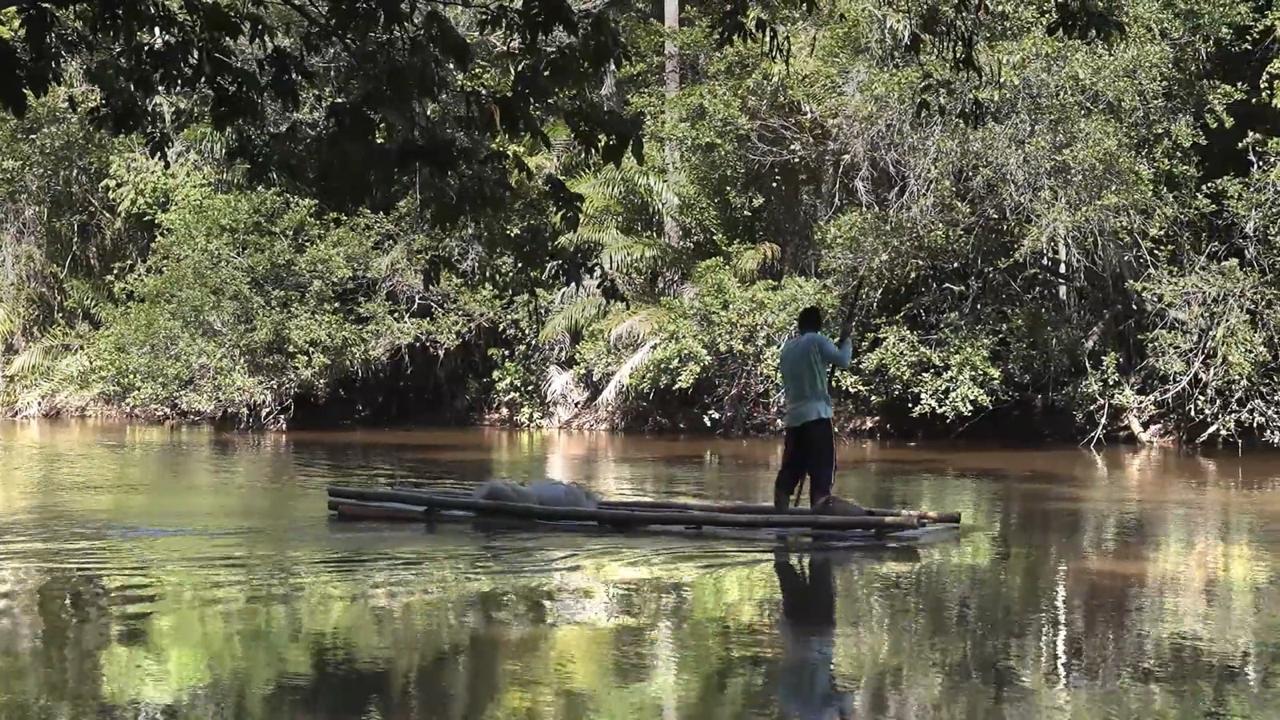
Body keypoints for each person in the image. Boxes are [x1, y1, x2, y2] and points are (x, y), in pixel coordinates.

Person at [775, 306, 852, 511]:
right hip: (817, 417)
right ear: (818, 325)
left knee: (789, 471)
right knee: (822, 473)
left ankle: (779, 519)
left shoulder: (788, 349)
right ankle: (819, 527)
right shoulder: (817, 341)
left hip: (794, 419)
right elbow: (844, 360)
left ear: (800, 326)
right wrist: (847, 339)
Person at [774, 549, 854, 720]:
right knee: (785, 570)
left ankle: (819, 534)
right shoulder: (790, 703)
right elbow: (783, 677)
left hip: (821, 629)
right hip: (795, 630)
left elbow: (846, 697)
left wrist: (845, 713)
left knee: (820, 567)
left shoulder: (825, 714)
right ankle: (781, 536)